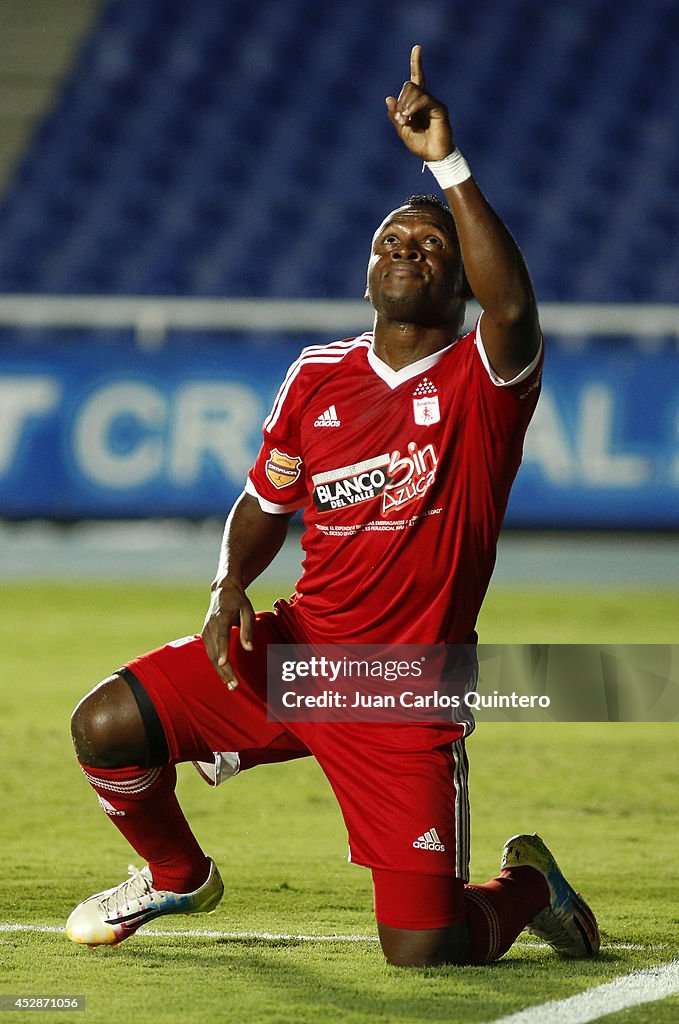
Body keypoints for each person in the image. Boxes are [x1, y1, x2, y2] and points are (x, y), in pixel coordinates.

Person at [66, 46, 599, 967]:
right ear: (366, 272)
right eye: (390, 240)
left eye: (429, 245)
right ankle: (177, 874)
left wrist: (447, 166)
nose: (405, 250)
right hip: (300, 652)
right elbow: (265, 500)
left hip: (403, 694)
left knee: (423, 948)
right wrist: (229, 581)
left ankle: (528, 886)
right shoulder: (318, 375)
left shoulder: (483, 382)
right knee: (107, 723)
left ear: (460, 281)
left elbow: (513, 307)